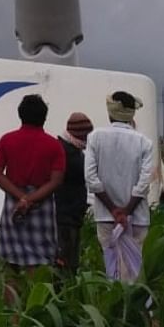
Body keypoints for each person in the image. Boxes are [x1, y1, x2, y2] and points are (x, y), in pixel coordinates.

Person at [0, 94, 66, 273]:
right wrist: (30, 199)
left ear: (20, 114)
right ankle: (33, 300)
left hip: (13, 203)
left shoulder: (7, 140)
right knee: (38, 261)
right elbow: (56, 181)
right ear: (44, 117)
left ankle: (10, 301)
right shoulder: (54, 145)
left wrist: (21, 197)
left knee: (11, 262)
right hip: (42, 205)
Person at [83, 92, 154, 282]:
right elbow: (145, 181)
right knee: (133, 271)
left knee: (112, 266)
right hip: (137, 217)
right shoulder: (144, 142)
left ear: (110, 112)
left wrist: (114, 211)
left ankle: (115, 308)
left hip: (106, 217)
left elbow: (91, 178)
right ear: (132, 114)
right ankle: (134, 309)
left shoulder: (95, 137)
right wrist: (127, 211)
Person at [55, 112, 94, 275]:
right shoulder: (70, 154)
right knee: (66, 261)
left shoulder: (67, 148)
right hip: (66, 216)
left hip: (68, 214)